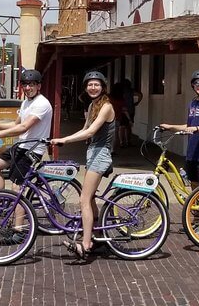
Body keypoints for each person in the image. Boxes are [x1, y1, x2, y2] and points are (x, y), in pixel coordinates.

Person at [0, 69, 53, 243]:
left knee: (17, 189)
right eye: (25, 84)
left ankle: (18, 231)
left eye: (32, 84)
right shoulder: (26, 103)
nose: (28, 88)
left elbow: (23, 128)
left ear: (39, 86)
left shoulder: (42, 104)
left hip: (32, 150)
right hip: (20, 146)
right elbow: (14, 124)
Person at [51, 71, 115, 260]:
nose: (92, 88)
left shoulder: (106, 106)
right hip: (93, 153)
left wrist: (64, 140)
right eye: (89, 85)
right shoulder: (93, 104)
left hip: (101, 154)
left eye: (96, 85)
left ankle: (86, 244)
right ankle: (96, 236)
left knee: (84, 200)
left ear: (103, 87)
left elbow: (91, 132)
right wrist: (65, 139)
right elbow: (85, 129)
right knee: (91, 198)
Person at [159, 70, 199, 239]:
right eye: (197, 83)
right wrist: (170, 126)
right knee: (195, 189)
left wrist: (197, 129)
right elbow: (189, 125)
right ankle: (197, 220)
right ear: (193, 85)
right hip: (192, 153)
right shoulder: (192, 103)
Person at [110, 82, 131, 148]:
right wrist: (129, 119)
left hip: (107, 118)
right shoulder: (121, 100)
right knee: (114, 134)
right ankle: (112, 149)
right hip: (117, 118)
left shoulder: (108, 97)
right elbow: (124, 110)